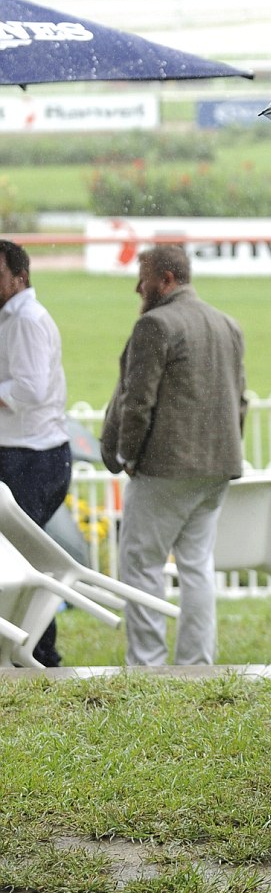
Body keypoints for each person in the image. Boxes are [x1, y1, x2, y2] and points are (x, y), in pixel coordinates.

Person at [100, 245, 247, 667]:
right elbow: (240, 400)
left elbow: (137, 402)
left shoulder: (155, 325)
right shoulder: (227, 325)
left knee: (141, 563)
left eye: (142, 277)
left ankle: (146, 663)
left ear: (165, 279)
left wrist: (127, 455)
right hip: (217, 468)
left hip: (165, 468)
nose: (137, 287)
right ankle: (196, 664)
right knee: (197, 567)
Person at [0, 239, 72, 667]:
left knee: (23, 557)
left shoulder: (26, 319)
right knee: (18, 555)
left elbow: (30, 389)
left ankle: (39, 652)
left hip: (34, 457)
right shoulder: (10, 317)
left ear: (20, 276)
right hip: (22, 451)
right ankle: (27, 647)